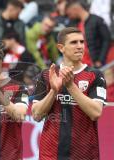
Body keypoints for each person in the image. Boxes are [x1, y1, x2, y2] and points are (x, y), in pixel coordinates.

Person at [32, 27, 106, 159]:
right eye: (73, 42)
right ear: (61, 48)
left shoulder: (95, 75)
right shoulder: (46, 75)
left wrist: (71, 86)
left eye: (81, 42)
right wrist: (54, 91)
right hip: (51, 154)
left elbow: (96, 113)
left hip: (84, 154)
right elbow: (36, 115)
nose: (79, 46)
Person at [65, 0, 111, 67]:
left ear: (75, 9)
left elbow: (106, 40)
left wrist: (100, 60)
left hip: (97, 64)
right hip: (82, 65)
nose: (69, 17)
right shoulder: (75, 24)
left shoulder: (97, 20)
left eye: (70, 14)